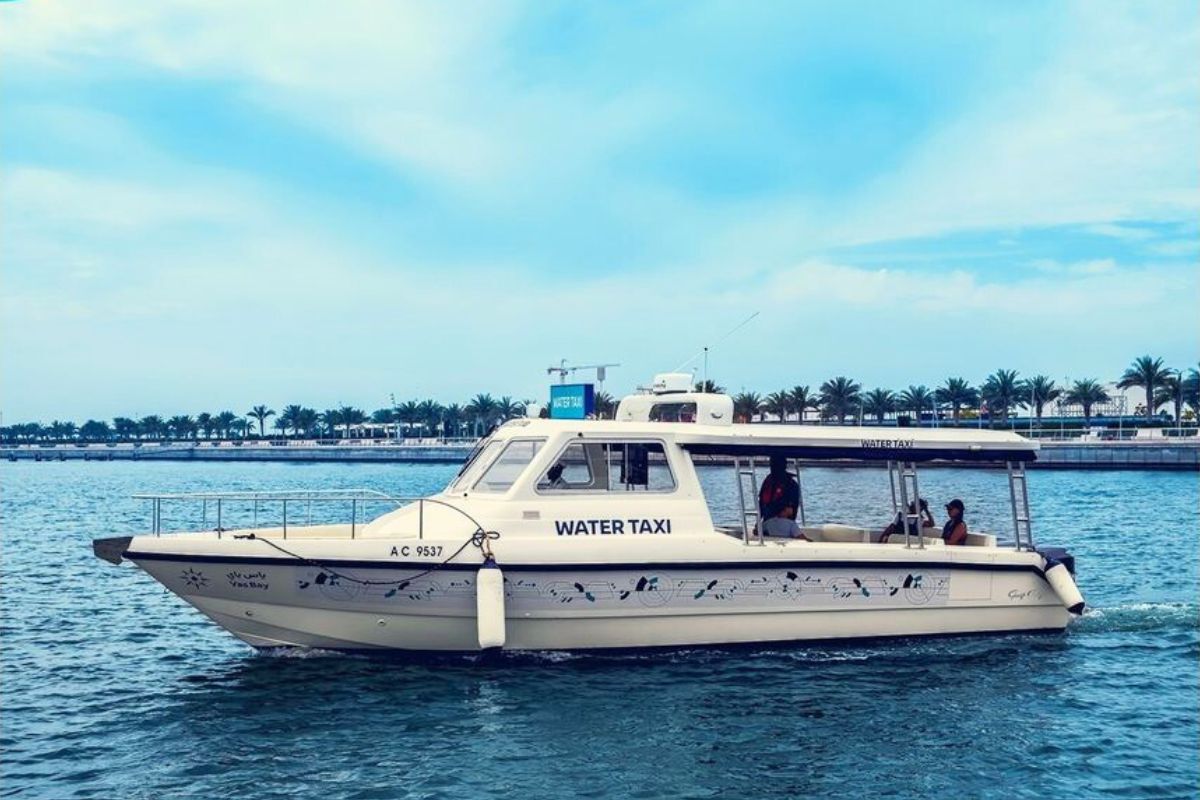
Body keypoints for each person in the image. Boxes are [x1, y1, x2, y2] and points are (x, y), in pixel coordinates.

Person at [759, 455, 800, 520]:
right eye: (771, 465)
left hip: (784, 523)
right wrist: (757, 524)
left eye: (776, 465)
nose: (772, 468)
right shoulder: (767, 482)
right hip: (767, 522)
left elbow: (791, 511)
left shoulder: (792, 485)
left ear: (784, 466)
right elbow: (761, 504)